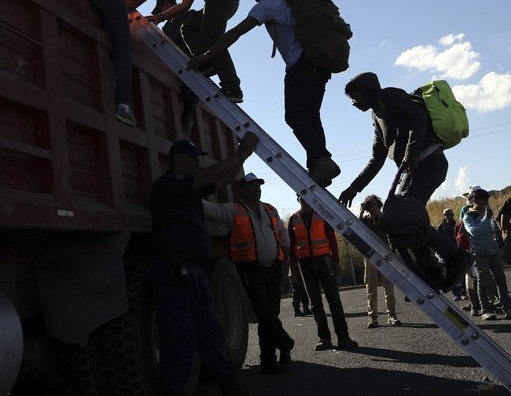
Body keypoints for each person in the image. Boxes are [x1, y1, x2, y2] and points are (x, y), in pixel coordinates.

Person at [189, 0, 339, 186]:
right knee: (310, 116)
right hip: (318, 66)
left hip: (300, 65)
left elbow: (236, 32)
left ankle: (322, 161)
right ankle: (319, 163)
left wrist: (207, 55)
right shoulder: (286, 5)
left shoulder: (268, 5)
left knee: (295, 116)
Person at [338, 72, 472, 291]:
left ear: (365, 90)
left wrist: (410, 154)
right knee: (399, 221)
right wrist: (354, 187)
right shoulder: (376, 115)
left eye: (354, 96)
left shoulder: (387, 95)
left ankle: (455, 257)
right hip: (414, 170)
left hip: (428, 162)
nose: (354, 103)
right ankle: (432, 273)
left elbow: (418, 116)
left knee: (402, 217)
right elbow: (377, 158)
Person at [148, 134, 257, 396]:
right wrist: (240, 155)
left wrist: (240, 162)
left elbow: (222, 179)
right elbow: (208, 177)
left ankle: (228, 385)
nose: (198, 163)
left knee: (210, 332)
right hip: (175, 273)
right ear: (179, 160)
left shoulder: (190, 191)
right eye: (194, 159)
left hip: (194, 273)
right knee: (179, 340)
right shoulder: (167, 185)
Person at [132, 0, 242, 103]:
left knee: (211, 37)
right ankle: (207, 63)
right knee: (189, 25)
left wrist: (137, 2)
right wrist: (159, 18)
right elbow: (185, 5)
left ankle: (232, 87)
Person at [202, 173, 295, 375]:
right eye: (252, 185)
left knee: (269, 315)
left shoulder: (270, 209)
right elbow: (210, 210)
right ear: (241, 189)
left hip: (274, 269)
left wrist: (286, 259)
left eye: (259, 185)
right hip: (252, 271)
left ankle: (269, 362)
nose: (257, 188)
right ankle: (285, 342)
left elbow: (283, 233)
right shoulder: (232, 210)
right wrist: (190, 194)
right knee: (264, 311)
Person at [288, 199, 358, 351]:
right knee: (315, 303)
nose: (304, 201)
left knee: (334, 300)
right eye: (301, 197)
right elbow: (292, 245)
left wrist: (336, 261)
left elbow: (332, 238)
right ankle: (324, 339)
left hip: (325, 261)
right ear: (298, 198)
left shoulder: (322, 214)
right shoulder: (294, 219)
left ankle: (343, 337)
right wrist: (292, 270)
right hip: (305, 264)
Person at [462, 188, 511, 322]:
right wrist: (486, 218)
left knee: (501, 279)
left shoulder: (487, 212)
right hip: (480, 252)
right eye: (483, 200)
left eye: (487, 200)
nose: (486, 202)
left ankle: (507, 307)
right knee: (483, 281)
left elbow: (493, 230)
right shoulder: (469, 216)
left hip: (494, 251)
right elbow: (474, 232)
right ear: (475, 200)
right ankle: (486, 310)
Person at [153, 0, 199, 134]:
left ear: (167, 5)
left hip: (193, 61)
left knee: (191, 84)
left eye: (160, 10)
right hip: (176, 63)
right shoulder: (167, 27)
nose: (160, 14)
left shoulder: (191, 15)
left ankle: (187, 115)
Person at [358, 195, 402, 328]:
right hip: (370, 255)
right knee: (371, 288)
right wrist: (361, 211)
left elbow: (390, 229)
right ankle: (372, 318)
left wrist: (379, 213)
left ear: (378, 205)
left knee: (388, 287)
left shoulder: (384, 218)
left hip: (385, 255)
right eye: (368, 205)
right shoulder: (365, 220)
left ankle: (392, 315)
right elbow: (356, 228)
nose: (370, 208)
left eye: (373, 205)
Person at [438, 208, 467, 301]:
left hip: (457, 251)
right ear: (444, 215)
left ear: (453, 215)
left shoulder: (457, 225)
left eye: (450, 214)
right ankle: (456, 294)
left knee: (460, 272)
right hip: (446, 253)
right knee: (450, 274)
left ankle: (463, 292)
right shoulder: (440, 227)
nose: (448, 216)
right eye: (446, 214)